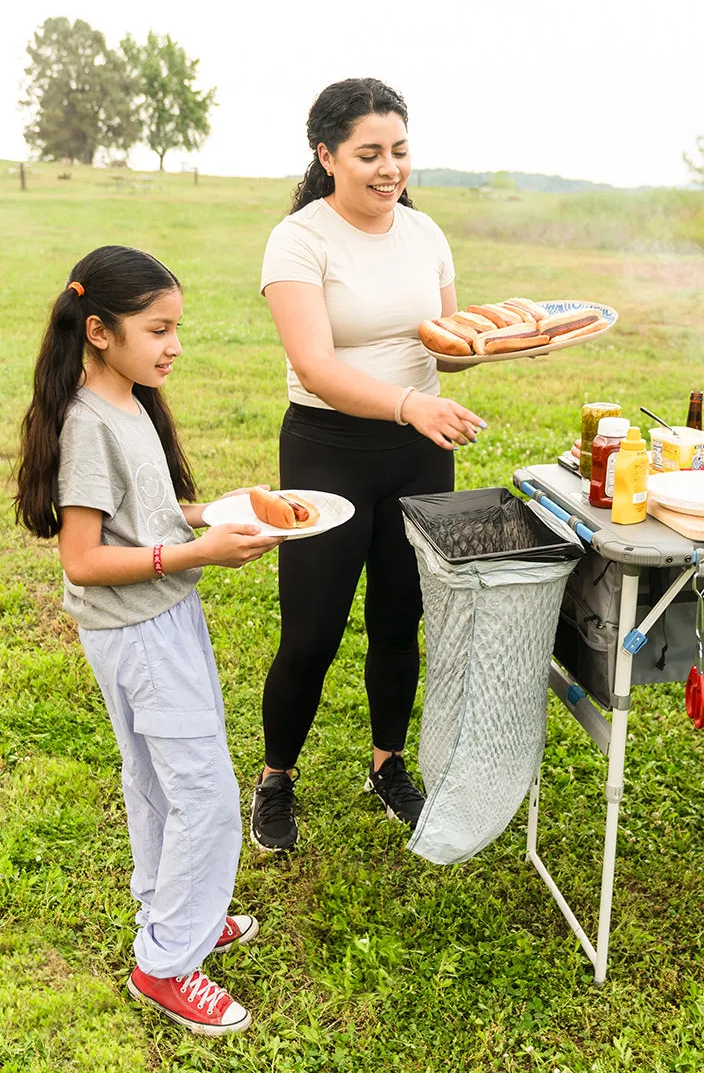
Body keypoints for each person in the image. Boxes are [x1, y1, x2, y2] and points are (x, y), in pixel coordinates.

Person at [14, 246, 283, 1035]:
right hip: (137, 631)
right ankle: (166, 962)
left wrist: (216, 513)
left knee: (164, 780)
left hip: (162, 619)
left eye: (177, 329)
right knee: (205, 793)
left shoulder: (129, 401)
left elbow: (149, 519)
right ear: (98, 330)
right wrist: (198, 552)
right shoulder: (88, 423)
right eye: (158, 329)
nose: (174, 345)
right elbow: (84, 559)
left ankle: (180, 913)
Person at [251, 78, 486, 851]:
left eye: (401, 150)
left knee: (399, 618)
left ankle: (388, 765)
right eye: (369, 154)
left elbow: (445, 351)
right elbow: (314, 365)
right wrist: (408, 404)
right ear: (327, 156)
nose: (390, 169)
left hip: (419, 454)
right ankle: (276, 779)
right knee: (312, 629)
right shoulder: (301, 239)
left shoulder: (425, 235)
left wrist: (491, 343)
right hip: (328, 448)